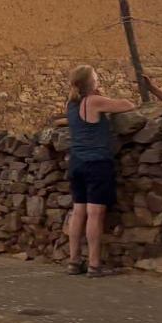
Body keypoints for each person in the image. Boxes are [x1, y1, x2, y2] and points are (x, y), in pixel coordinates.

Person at [64, 64, 136, 277]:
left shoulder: (71, 104)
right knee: (95, 214)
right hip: (97, 162)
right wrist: (102, 96)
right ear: (90, 83)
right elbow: (127, 105)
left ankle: (74, 261)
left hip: (77, 162)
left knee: (78, 211)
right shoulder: (93, 101)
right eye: (96, 78)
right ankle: (95, 264)